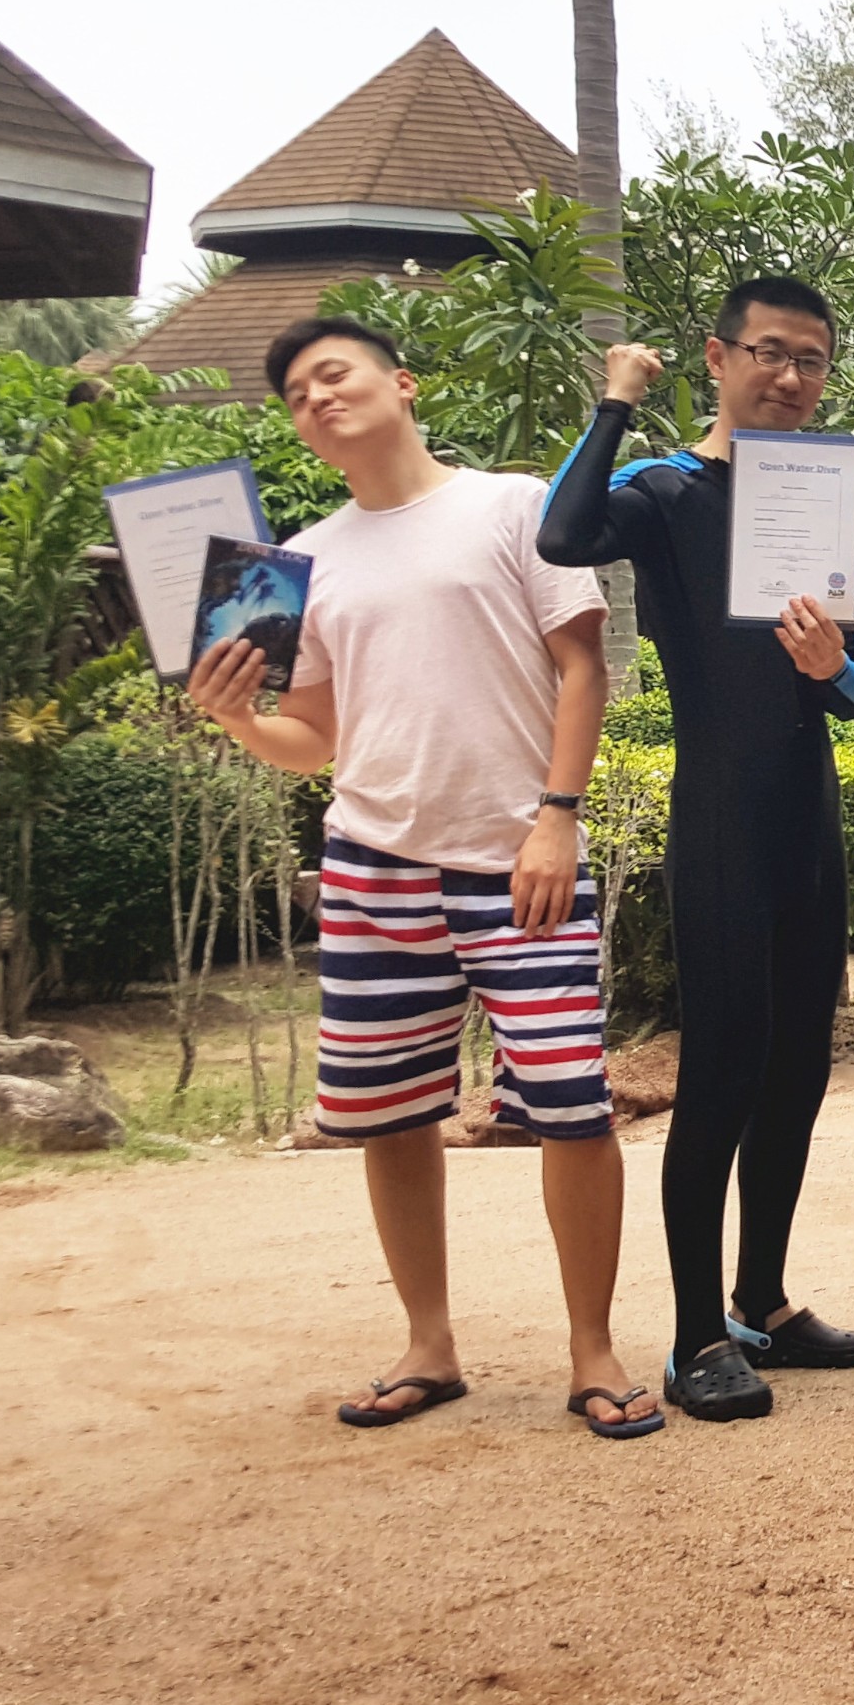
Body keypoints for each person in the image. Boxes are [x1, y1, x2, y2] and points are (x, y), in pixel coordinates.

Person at [187, 316, 655, 1439]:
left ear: (401, 382)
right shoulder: (299, 560)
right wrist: (239, 720)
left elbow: (581, 667)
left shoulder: (514, 505)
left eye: (333, 373)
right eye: (297, 394)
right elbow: (315, 736)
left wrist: (557, 818)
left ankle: (593, 1351)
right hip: (373, 866)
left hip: (521, 857)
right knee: (392, 1114)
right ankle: (428, 1346)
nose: (317, 397)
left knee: (573, 1107)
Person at [541, 278, 854, 1427]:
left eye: (810, 359)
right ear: (719, 356)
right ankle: (695, 1336)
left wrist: (832, 666)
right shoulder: (664, 490)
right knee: (724, 1074)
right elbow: (562, 534)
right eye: (769, 352)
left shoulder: (818, 496)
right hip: (724, 821)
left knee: (799, 1069)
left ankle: (763, 1304)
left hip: (807, 817)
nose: (790, 377)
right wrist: (615, 404)